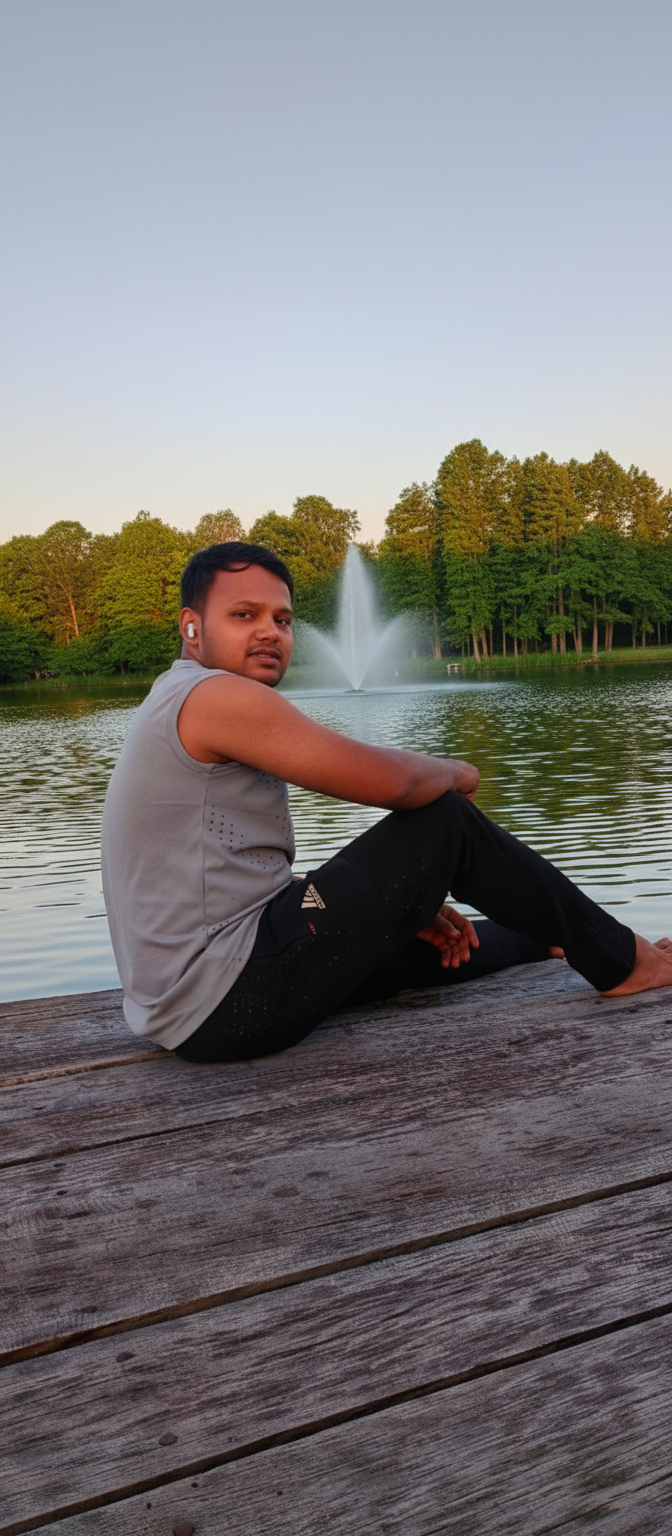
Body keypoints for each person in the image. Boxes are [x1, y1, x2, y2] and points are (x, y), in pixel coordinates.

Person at [101, 542, 672, 1063]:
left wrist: (399, 904)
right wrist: (457, 771)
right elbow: (395, 786)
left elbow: (229, 890)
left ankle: (548, 938)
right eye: (244, 615)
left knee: (425, 943)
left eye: (283, 619)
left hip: (194, 1001)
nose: (271, 632)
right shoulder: (214, 695)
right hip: (226, 1000)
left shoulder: (173, 695)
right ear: (191, 626)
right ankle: (622, 961)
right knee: (443, 818)